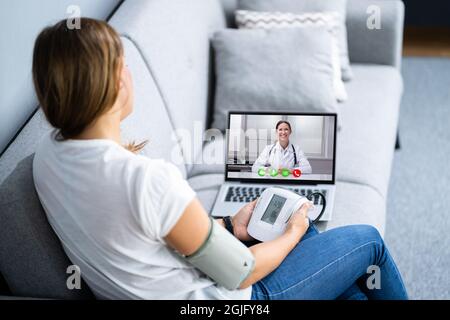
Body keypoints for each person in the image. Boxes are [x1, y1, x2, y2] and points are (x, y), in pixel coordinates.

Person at [32, 18, 408, 300]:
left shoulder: (46, 158)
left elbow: (145, 238)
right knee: (365, 242)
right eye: (124, 64)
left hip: (183, 279)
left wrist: (230, 223)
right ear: (118, 82)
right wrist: (291, 234)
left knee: (318, 251)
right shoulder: (146, 180)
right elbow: (242, 273)